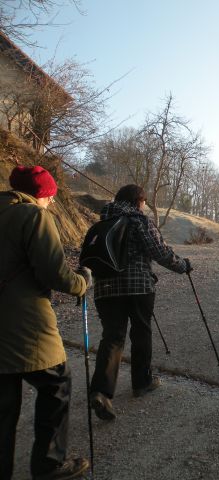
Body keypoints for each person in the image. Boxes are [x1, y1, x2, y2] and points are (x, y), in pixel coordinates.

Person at [1, 166, 91, 479]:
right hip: (23, 323)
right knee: (56, 383)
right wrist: (82, 282)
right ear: (41, 194)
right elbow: (54, 273)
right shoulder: (33, 216)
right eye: (50, 196)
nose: (52, 203)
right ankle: (49, 464)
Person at [89, 184, 191, 422]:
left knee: (112, 337)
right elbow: (159, 252)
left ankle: (101, 391)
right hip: (137, 286)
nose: (144, 206)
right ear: (139, 201)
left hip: (104, 289)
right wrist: (183, 266)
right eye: (144, 202)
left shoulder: (101, 221)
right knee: (141, 332)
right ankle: (141, 382)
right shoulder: (139, 220)